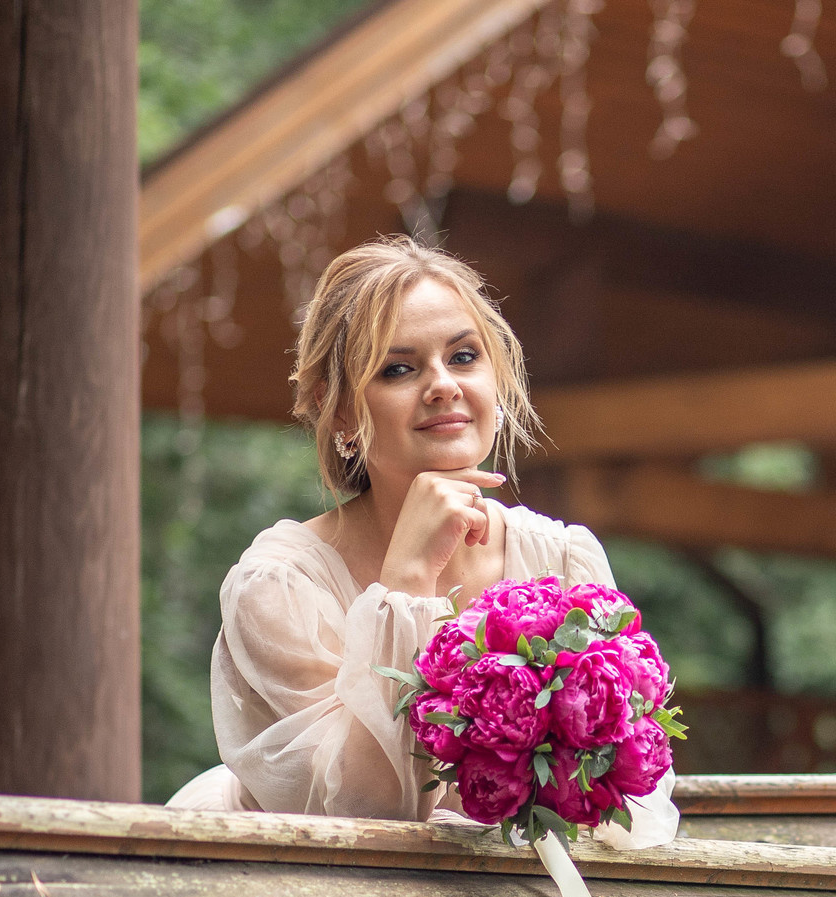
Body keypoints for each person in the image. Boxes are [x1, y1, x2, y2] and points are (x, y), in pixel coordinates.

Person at [170, 236, 675, 845]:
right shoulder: (279, 588)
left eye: (464, 357)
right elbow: (361, 818)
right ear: (340, 415)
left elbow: (627, 800)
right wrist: (407, 580)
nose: (442, 384)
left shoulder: (563, 559)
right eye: (399, 369)